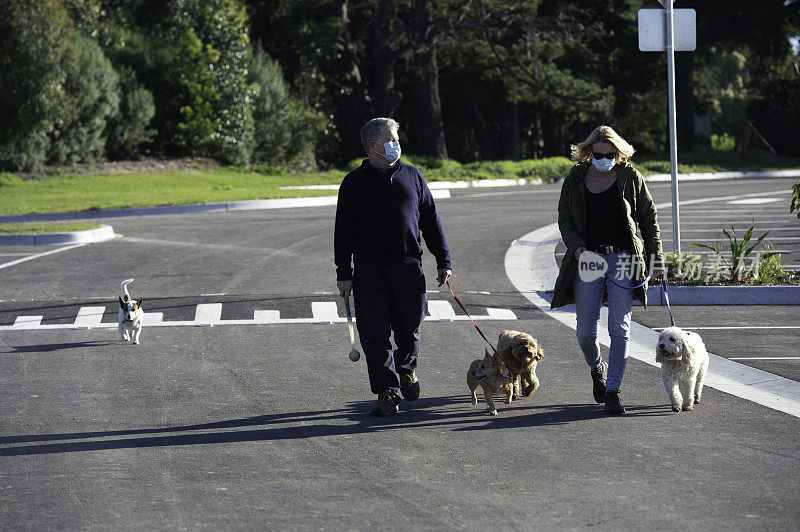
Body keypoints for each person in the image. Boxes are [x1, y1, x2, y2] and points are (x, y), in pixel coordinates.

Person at [334, 117, 452, 417]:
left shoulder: (413, 176)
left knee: (409, 327)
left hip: (408, 267)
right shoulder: (353, 183)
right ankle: (387, 392)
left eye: (396, 139)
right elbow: (343, 231)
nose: (396, 144)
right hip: (369, 269)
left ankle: (407, 370)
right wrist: (343, 274)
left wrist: (443, 259)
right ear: (373, 146)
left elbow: (431, 221)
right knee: (374, 334)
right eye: (391, 139)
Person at [551, 125, 664, 415]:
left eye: (610, 154)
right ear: (589, 152)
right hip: (588, 258)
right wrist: (576, 247)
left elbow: (649, 219)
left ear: (619, 153)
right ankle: (597, 366)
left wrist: (656, 259)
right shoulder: (576, 178)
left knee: (619, 327)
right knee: (586, 332)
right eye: (598, 154)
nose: (604, 159)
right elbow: (565, 219)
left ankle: (613, 391)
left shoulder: (630, 177)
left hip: (623, 258)